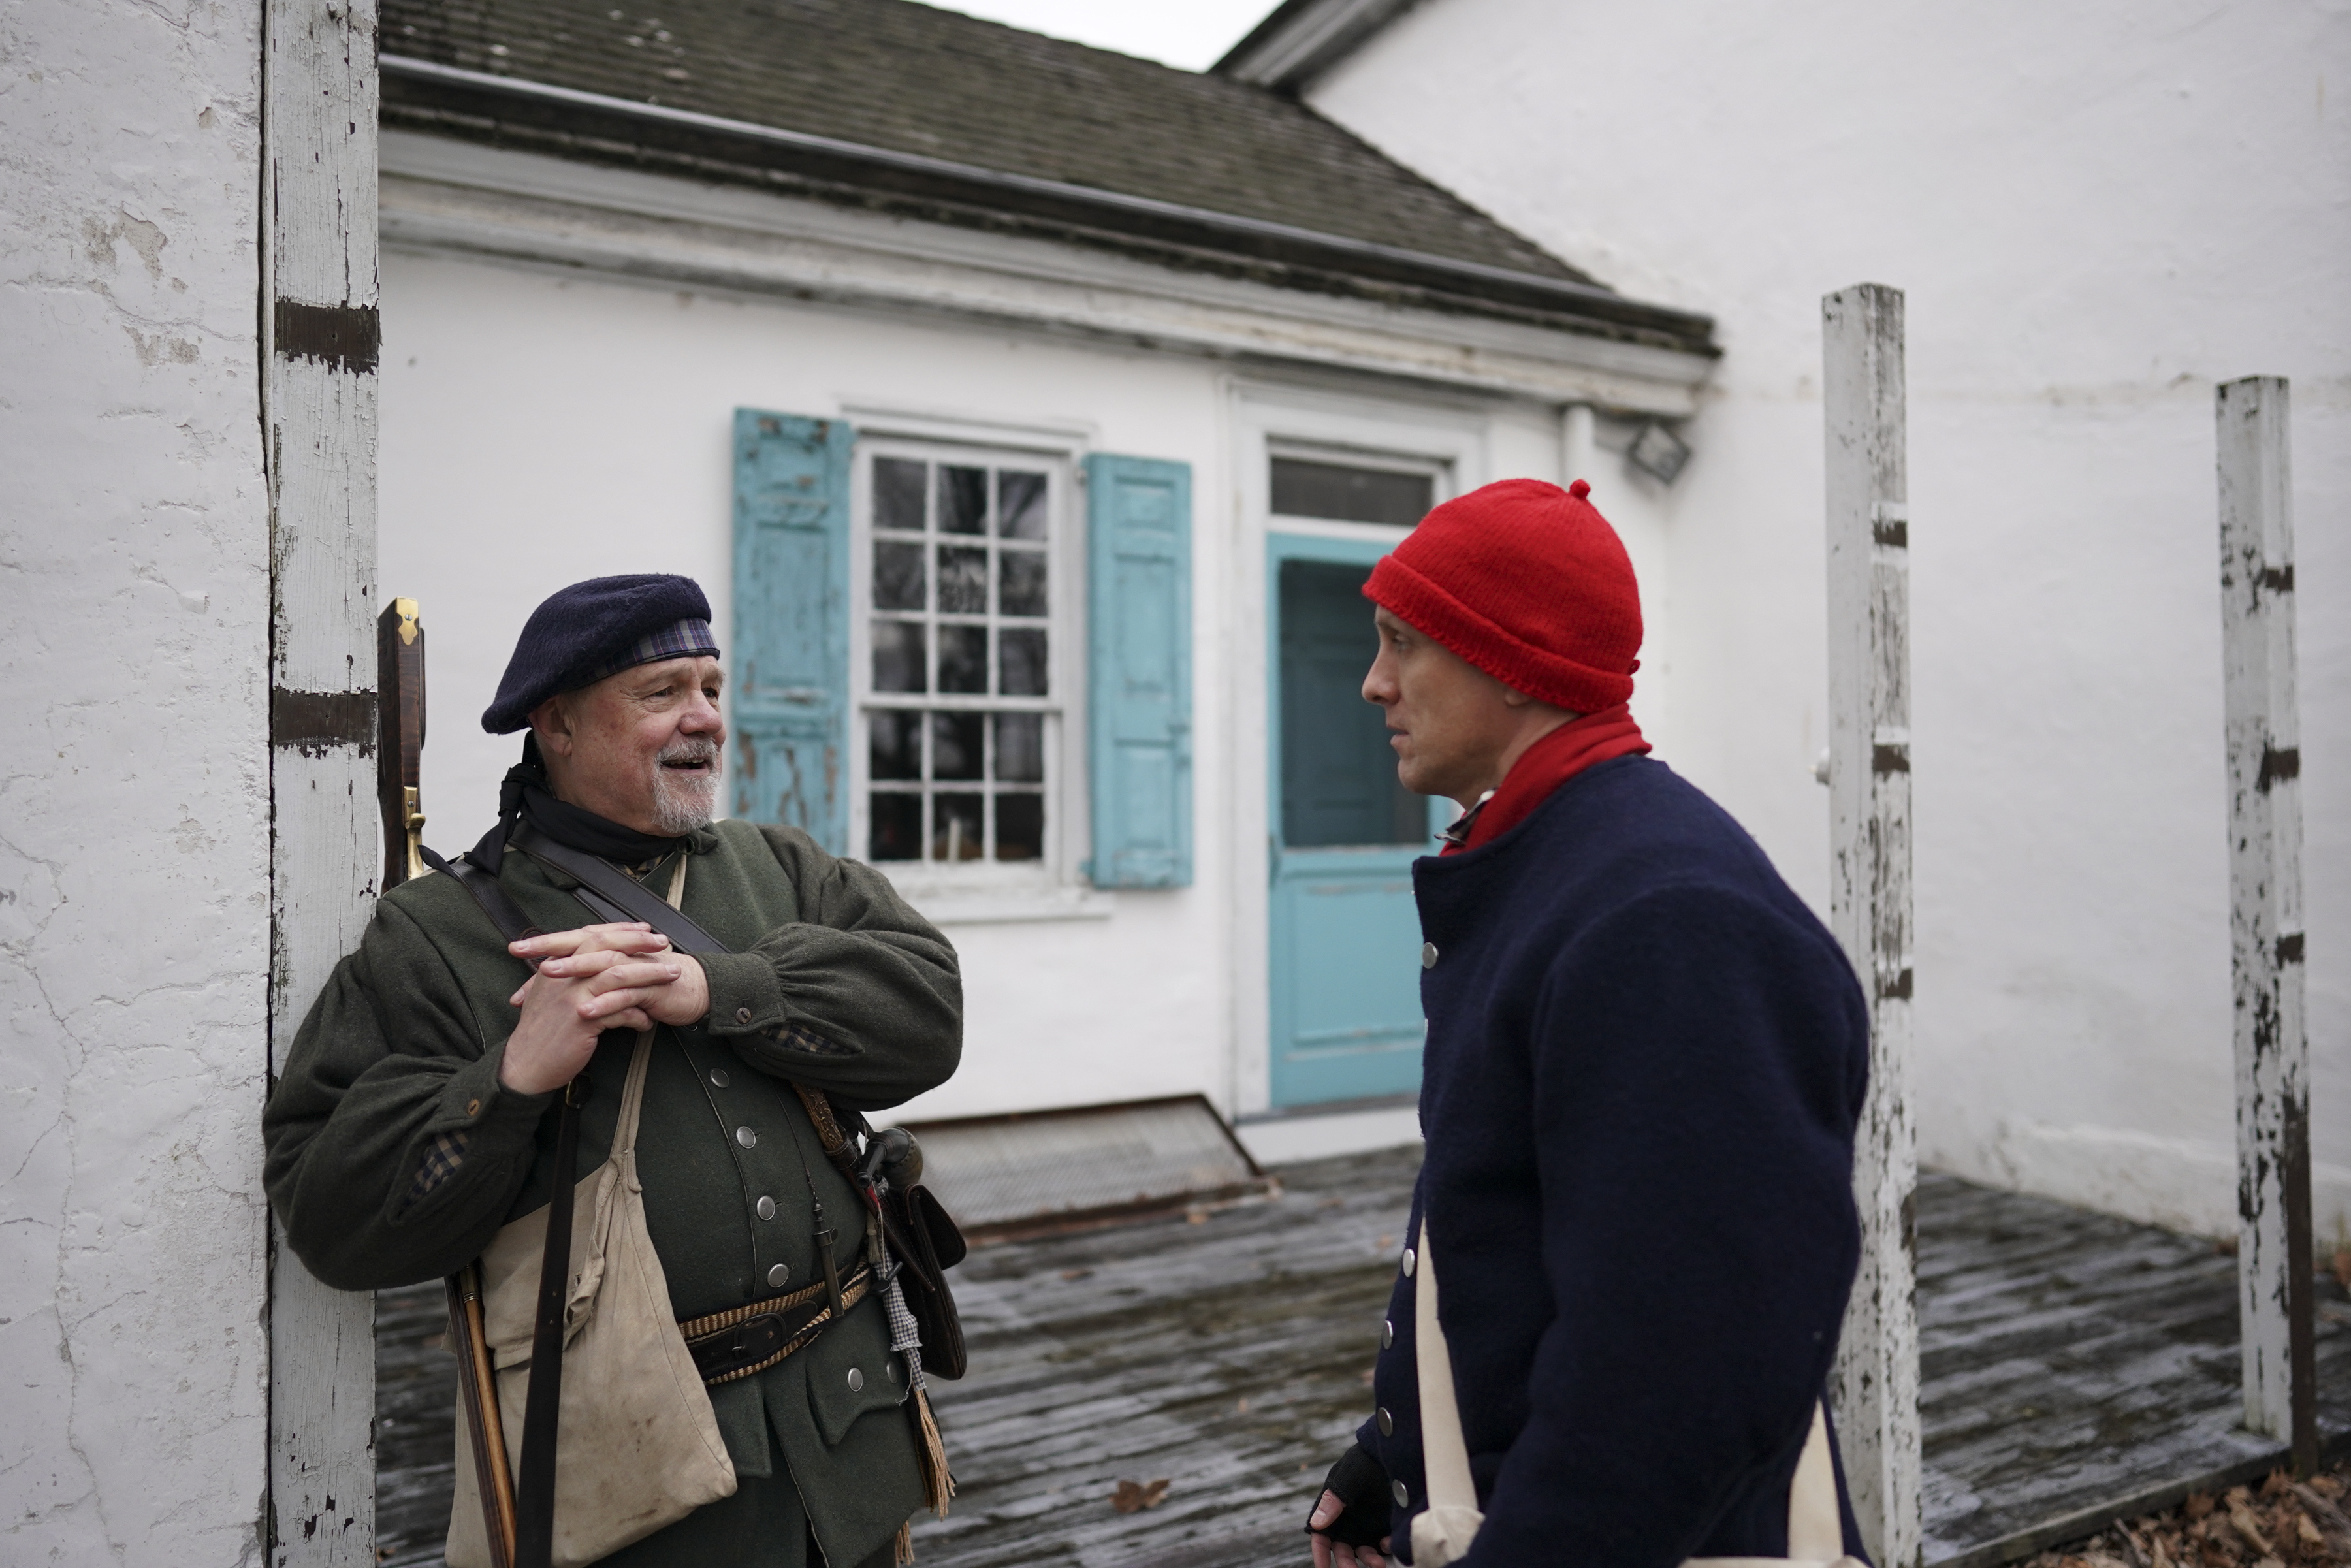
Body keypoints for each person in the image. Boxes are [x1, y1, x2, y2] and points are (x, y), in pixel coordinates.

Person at [265, 574, 961, 1568]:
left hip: (846, 1446)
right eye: (663, 691)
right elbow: (330, 1212)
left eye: (713, 687)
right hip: (631, 1487)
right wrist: (508, 1079)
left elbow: (930, 1014)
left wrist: (720, 988)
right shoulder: (440, 935)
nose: (705, 718)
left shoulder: (781, 867)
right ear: (557, 723)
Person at [1302, 481, 1872, 1567]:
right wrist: (1402, 1448)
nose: (1374, 683)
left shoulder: (1671, 922)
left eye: (1400, 642)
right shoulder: (1552, 862)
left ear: (1509, 659)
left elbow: (1687, 1375)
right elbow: (1507, 1229)